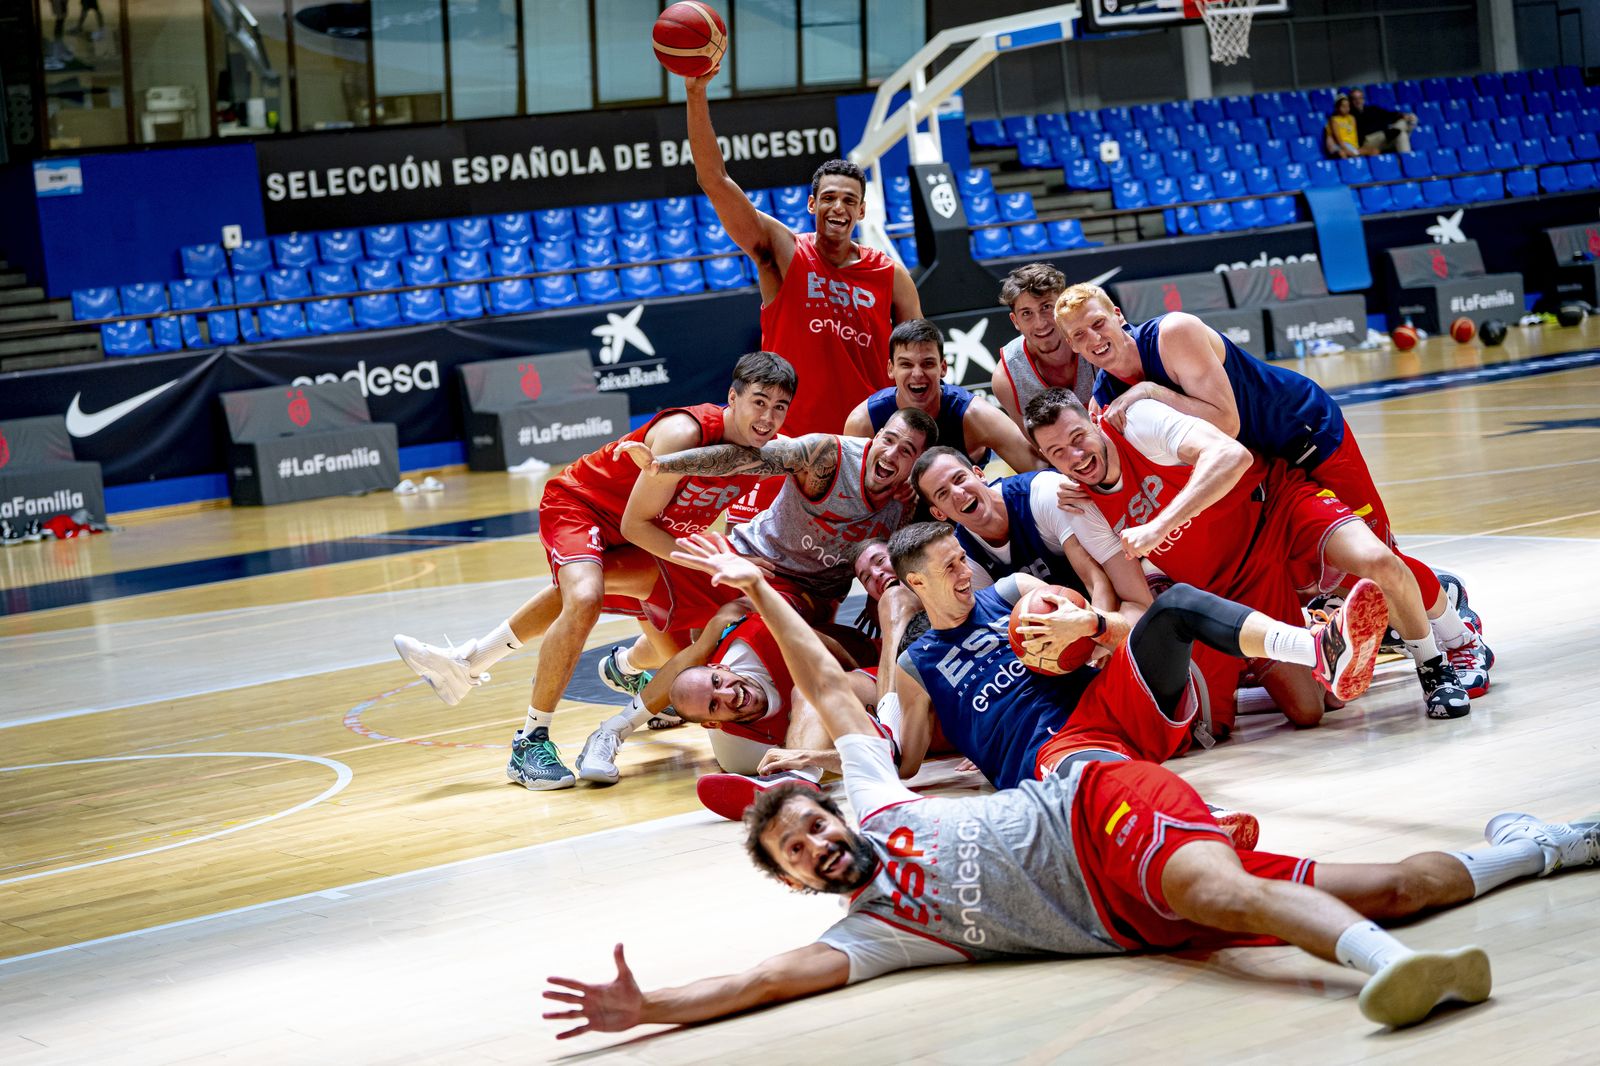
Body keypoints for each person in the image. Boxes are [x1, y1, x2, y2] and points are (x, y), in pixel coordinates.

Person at [542, 534, 1600, 1036]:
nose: (819, 839)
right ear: (799, 880)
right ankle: (1540, 842)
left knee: (1228, 895)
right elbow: (760, 983)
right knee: (1399, 878)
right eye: (800, 851)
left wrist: (763, 590)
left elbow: (822, 677)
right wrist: (650, 1005)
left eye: (813, 822)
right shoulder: (870, 936)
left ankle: (1393, 971)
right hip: (1126, 911)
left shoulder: (877, 800)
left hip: (1091, 795)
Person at [1054, 283, 1490, 706]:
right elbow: (1117, 461)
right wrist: (1081, 488)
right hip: (1264, 476)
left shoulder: (1173, 334)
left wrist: (1152, 392)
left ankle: (1459, 637)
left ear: (1118, 316)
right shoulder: (1102, 402)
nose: (1093, 339)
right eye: (1079, 336)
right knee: (1330, 573)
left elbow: (1227, 424)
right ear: (1073, 348)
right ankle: (1393, 615)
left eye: (1097, 324)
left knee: (1380, 557)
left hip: (1305, 435)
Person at [392, 352, 796, 791]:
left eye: (779, 407)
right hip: (585, 508)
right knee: (585, 595)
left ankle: (481, 662)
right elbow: (633, 524)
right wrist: (708, 561)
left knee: (694, 651)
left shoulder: (766, 454)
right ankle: (529, 741)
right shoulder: (686, 434)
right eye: (759, 401)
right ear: (732, 397)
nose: (767, 416)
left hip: (651, 536)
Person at [1024, 386, 1463, 724]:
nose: (1076, 456)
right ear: (1045, 458)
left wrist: (1160, 525)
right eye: (1058, 452)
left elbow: (1229, 456)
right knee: (1310, 712)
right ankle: (1324, 626)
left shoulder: (1138, 422)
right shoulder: (1081, 505)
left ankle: (1436, 663)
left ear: (1095, 421)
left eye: (1078, 438)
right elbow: (1136, 595)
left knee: (1379, 561)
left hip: (1273, 506)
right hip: (1232, 586)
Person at [883, 522, 1382, 790]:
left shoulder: (1014, 593)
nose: (965, 572)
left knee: (1177, 603)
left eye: (962, 560)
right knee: (1081, 770)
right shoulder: (917, 664)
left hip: (1108, 703)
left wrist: (1091, 624)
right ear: (917, 583)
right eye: (949, 568)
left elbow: (1117, 636)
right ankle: (1194, 820)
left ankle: (1318, 649)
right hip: (1048, 752)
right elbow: (907, 765)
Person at [683, 64, 920, 442]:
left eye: (849, 200)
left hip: (867, 447)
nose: (838, 207)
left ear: (861, 211)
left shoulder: (890, 274)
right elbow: (714, 180)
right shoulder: (784, 252)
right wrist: (696, 94)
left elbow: (918, 363)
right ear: (812, 204)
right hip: (787, 445)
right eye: (828, 198)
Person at [622, 407, 936, 629]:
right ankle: (627, 664)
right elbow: (744, 459)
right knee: (632, 576)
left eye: (906, 451)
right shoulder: (827, 455)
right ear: (877, 435)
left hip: (810, 594)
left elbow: (894, 557)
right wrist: (665, 465)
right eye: (889, 440)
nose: (892, 454)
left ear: (916, 462)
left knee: (732, 639)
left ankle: (632, 670)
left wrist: (875, 601)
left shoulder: (908, 502)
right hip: (752, 555)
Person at [843, 319, 1039, 475]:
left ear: (943, 368)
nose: (917, 374)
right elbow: (849, 497)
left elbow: (1040, 470)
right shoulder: (863, 422)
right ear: (890, 369)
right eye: (906, 364)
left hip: (962, 518)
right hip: (892, 522)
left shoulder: (975, 414)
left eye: (927, 363)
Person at [991, 263, 1096, 433]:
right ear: (1015, 321)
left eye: (1046, 307)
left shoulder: (1097, 339)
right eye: (1026, 313)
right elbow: (1037, 447)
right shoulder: (1006, 378)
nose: (1040, 323)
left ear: (1063, 305)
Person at [1349, 87, 1418, 155]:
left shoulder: (1372, 109)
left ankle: (1407, 162)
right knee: (1397, 131)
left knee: (1404, 131)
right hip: (1370, 141)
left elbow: (1389, 114)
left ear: (1363, 99)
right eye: (1355, 99)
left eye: (1360, 98)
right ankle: (1404, 130)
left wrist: (1402, 115)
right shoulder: (1350, 115)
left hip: (1386, 136)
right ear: (1351, 101)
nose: (1358, 101)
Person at [1324, 94, 1368, 160]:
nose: (1346, 108)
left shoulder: (1352, 118)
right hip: (1340, 146)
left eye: (1348, 106)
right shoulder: (1334, 120)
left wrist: (1355, 149)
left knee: (1374, 151)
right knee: (1343, 153)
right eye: (1343, 106)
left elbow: (1355, 135)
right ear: (1337, 108)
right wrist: (1348, 150)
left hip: (1353, 146)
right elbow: (1337, 139)